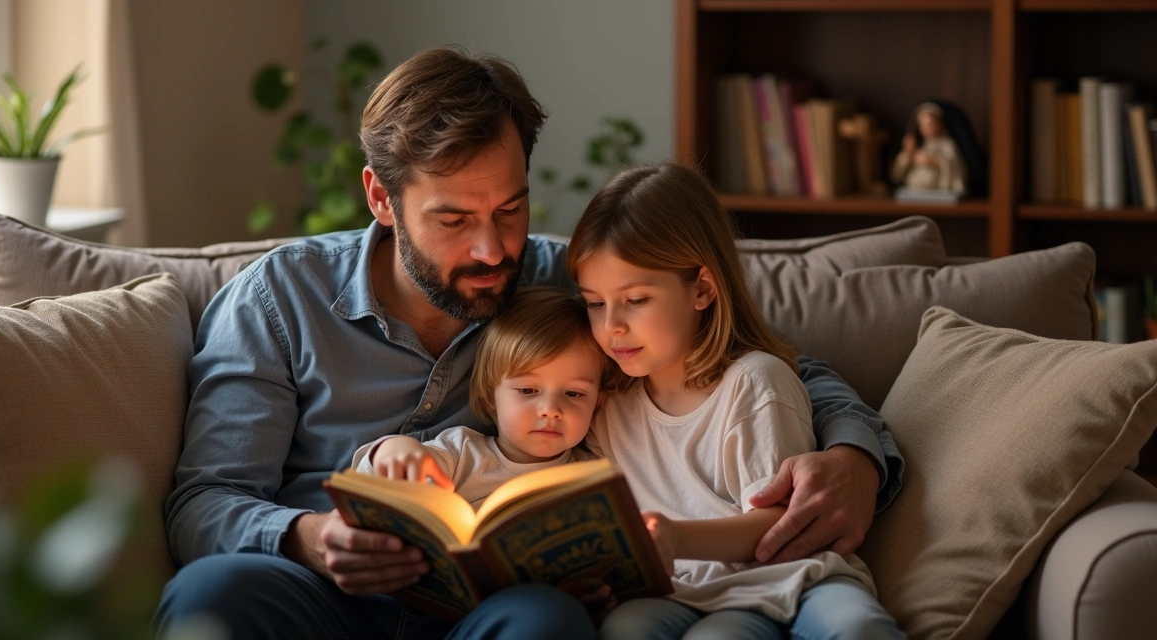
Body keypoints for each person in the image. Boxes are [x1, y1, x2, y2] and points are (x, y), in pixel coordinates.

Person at [155, 44, 902, 640]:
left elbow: (757, 360)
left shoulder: (564, 287)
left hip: (490, 609)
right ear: (382, 197)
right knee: (211, 593)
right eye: (454, 219)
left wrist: (855, 457)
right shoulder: (279, 298)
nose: (492, 250)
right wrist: (310, 538)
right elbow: (204, 501)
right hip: (324, 592)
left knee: (549, 620)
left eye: (510, 209)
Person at [569, 162, 904, 639]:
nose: (612, 326)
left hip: (784, 578)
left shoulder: (755, 382)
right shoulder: (606, 405)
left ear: (702, 289)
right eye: (595, 303)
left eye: (636, 299)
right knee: (624, 628)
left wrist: (676, 538)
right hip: (680, 592)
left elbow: (784, 524)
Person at [353, 286, 620, 619]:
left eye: (574, 394)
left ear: (598, 403)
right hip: (421, 610)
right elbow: (369, 484)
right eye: (528, 390)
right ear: (491, 396)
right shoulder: (460, 451)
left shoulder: (596, 480)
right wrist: (393, 450)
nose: (550, 409)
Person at [890, 101, 968, 196]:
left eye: (930, 124)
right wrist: (907, 153)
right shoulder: (920, 144)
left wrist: (934, 161)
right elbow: (896, 175)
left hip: (937, 187)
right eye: (922, 124)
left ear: (939, 123)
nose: (926, 128)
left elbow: (955, 166)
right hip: (916, 188)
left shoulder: (946, 144)